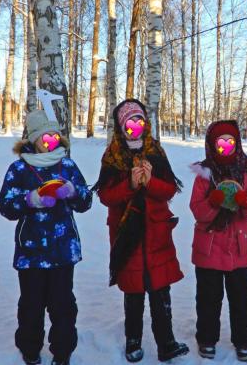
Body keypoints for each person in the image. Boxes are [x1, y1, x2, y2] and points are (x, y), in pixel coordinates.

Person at [92, 99, 189, 363]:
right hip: (128, 237)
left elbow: (169, 190)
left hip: (157, 234)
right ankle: (132, 341)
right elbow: (106, 196)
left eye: (139, 120)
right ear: (121, 126)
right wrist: (131, 183)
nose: (135, 126)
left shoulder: (155, 151)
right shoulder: (112, 155)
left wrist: (151, 181)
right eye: (129, 122)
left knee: (160, 294)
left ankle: (166, 343)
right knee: (133, 293)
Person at [0, 109, 92, 365]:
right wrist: (30, 199)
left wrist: (73, 192)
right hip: (31, 252)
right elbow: (5, 206)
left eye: (54, 136)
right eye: (45, 136)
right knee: (31, 305)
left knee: (63, 305)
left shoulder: (68, 165)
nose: (51, 140)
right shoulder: (19, 168)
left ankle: (62, 353)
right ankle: (30, 350)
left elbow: (86, 201)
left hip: (63, 251)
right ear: (34, 139)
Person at [189, 120, 247, 362]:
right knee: (208, 298)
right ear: (212, 144)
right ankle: (207, 338)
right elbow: (197, 210)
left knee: (242, 298)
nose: (225, 146)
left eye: (229, 141)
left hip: (237, 248)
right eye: (220, 142)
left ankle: (243, 339)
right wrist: (212, 201)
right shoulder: (204, 174)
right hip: (209, 248)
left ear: (237, 143)